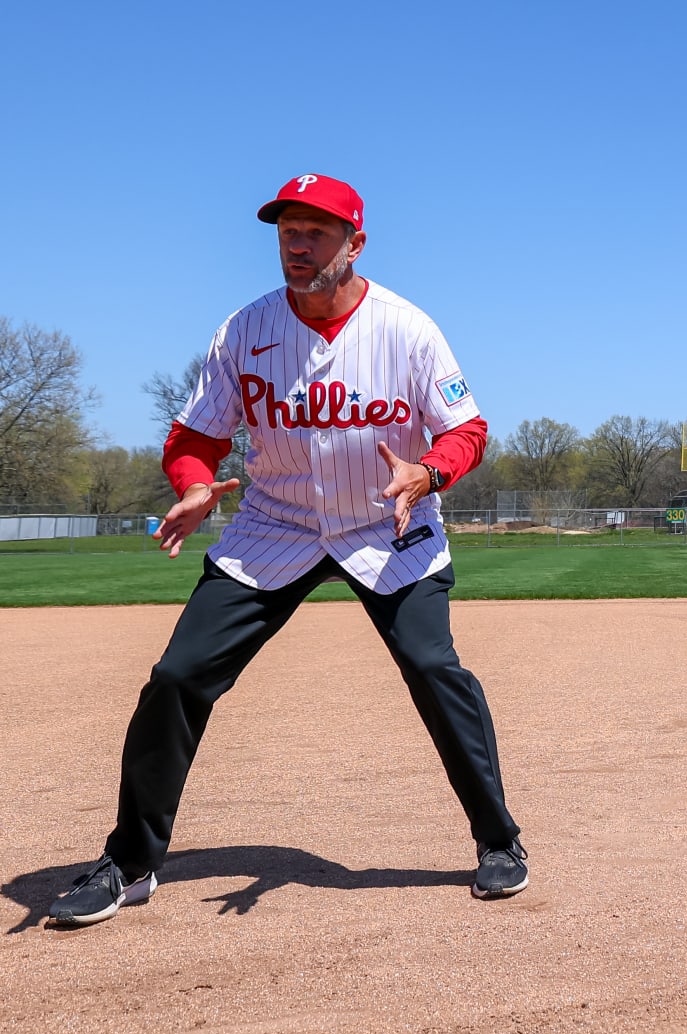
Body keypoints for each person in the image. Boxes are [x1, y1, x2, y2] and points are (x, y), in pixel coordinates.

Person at [45, 174, 529, 928]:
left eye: (315, 232)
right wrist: (194, 482)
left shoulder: (408, 329)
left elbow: (466, 429)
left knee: (434, 668)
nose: (297, 246)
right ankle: (129, 862)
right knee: (177, 676)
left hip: (388, 522)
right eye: (286, 232)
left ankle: (499, 839)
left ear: (354, 243)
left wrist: (430, 472)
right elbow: (196, 435)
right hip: (275, 525)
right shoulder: (246, 329)